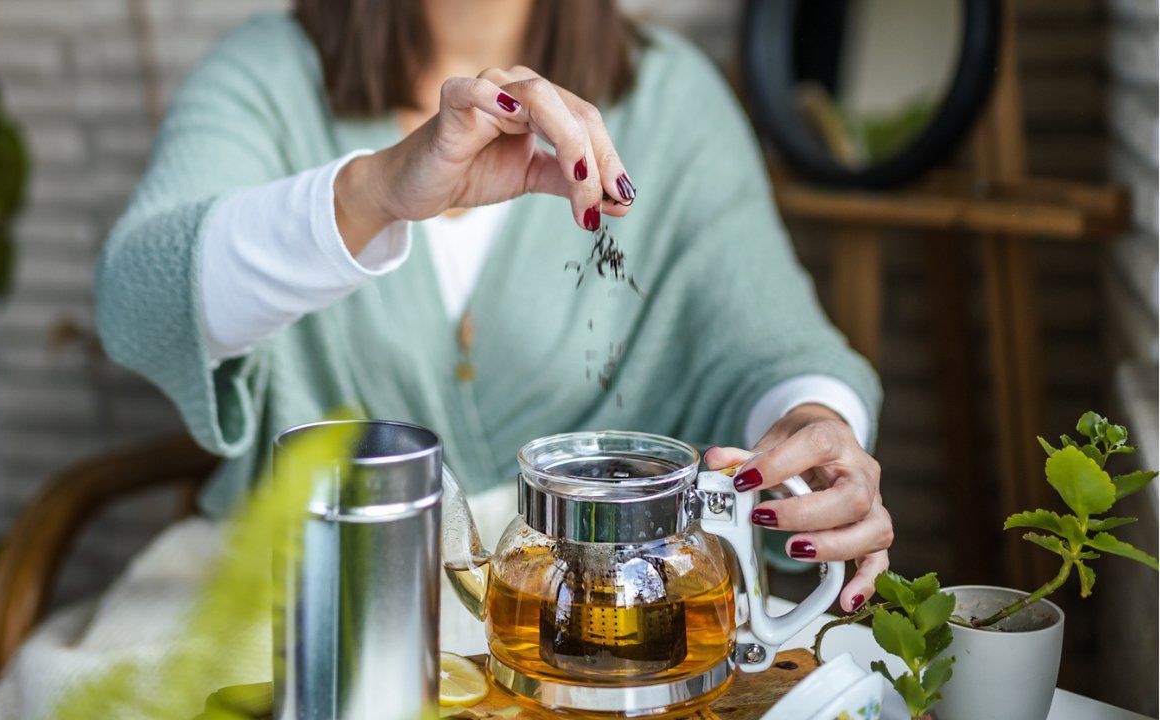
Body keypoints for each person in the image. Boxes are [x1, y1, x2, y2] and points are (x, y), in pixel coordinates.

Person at [95, 0, 890, 650]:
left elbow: (774, 342)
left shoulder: (672, 96)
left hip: (598, 632)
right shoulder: (264, 73)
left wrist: (815, 439)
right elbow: (136, 303)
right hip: (299, 610)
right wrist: (374, 193)